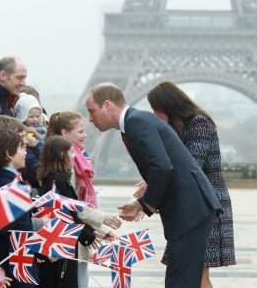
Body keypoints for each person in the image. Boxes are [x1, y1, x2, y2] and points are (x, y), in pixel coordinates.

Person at [85, 82, 222, 288]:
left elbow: (162, 166)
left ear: (107, 105)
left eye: (91, 111)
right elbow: (163, 166)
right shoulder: (137, 120)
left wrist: (145, 203)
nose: (90, 118)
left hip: (189, 210)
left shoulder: (135, 122)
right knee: (184, 280)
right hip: (192, 209)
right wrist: (142, 203)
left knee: (180, 281)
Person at [145, 81, 236, 288]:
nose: (154, 113)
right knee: (194, 271)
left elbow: (191, 165)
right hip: (193, 204)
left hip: (206, 204)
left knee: (197, 272)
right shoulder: (180, 127)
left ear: (168, 104)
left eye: (156, 108)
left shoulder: (199, 123)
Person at [46, 111, 121, 288]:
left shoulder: (76, 162)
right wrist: (101, 222)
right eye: (80, 131)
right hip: (72, 236)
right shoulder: (65, 172)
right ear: (65, 133)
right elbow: (74, 206)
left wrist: (99, 228)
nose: (85, 135)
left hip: (77, 233)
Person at [36, 135, 100, 288]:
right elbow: (66, 214)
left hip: (64, 243)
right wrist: (87, 234)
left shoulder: (57, 179)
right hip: (60, 246)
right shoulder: (56, 181)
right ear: (60, 155)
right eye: (71, 152)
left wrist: (90, 231)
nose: (74, 156)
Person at [0, 130, 37, 288]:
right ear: (8, 154)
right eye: (22, 148)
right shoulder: (8, 186)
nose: (26, 152)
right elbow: (20, 229)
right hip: (12, 266)